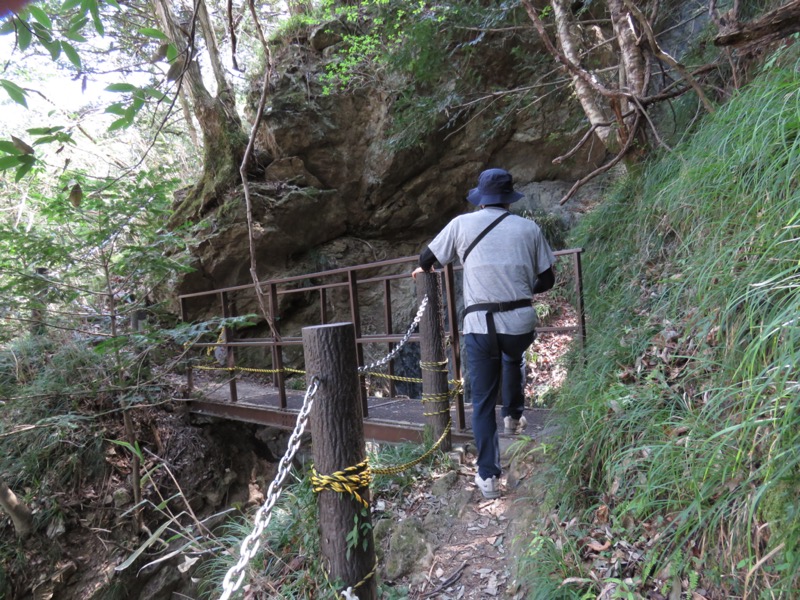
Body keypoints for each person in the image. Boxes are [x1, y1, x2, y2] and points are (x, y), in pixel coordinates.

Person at [412, 168, 556, 499]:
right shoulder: (529, 228)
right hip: (519, 322)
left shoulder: (461, 224)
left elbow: (427, 258)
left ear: (481, 199)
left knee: (481, 401)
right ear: (508, 199)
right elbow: (547, 280)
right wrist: (520, 289)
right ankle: (514, 416)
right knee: (513, 355)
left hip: (480, 325)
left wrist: (425, 271)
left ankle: (488, 475)